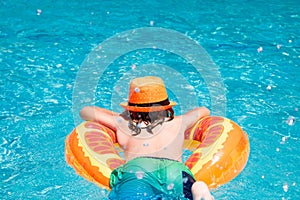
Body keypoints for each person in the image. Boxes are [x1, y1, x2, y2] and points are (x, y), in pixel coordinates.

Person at [80, 76, 214, 200]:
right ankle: (197, 188)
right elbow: (204, 110)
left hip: (138, 171)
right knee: (186, 191)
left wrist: (120, 116)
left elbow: (86, 111)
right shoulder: (179, 122)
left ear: (131, 108)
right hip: (175, 172)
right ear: (166, 107)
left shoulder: (124, 124)